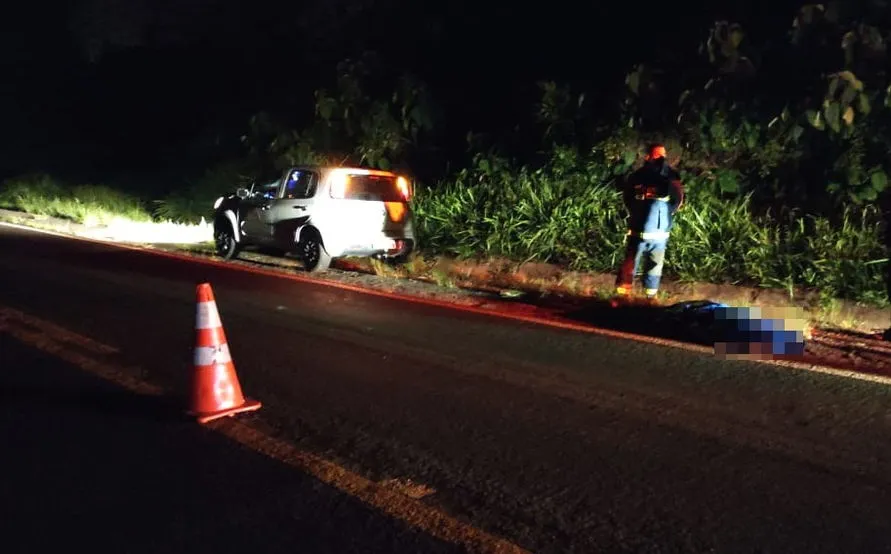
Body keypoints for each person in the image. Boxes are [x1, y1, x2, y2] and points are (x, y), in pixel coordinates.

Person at [614, 144, 685, 302]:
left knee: (654, 264)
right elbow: (628, 197)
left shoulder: (671, 177)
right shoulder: (639, 176)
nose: (661, 158)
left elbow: (678, 199)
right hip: (642, 229)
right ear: (648, 156)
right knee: (633, 261)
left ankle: (650, 296)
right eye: (657, 155)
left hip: (658, 232)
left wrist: (665, 213)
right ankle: (622, 295)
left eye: (662, 155)